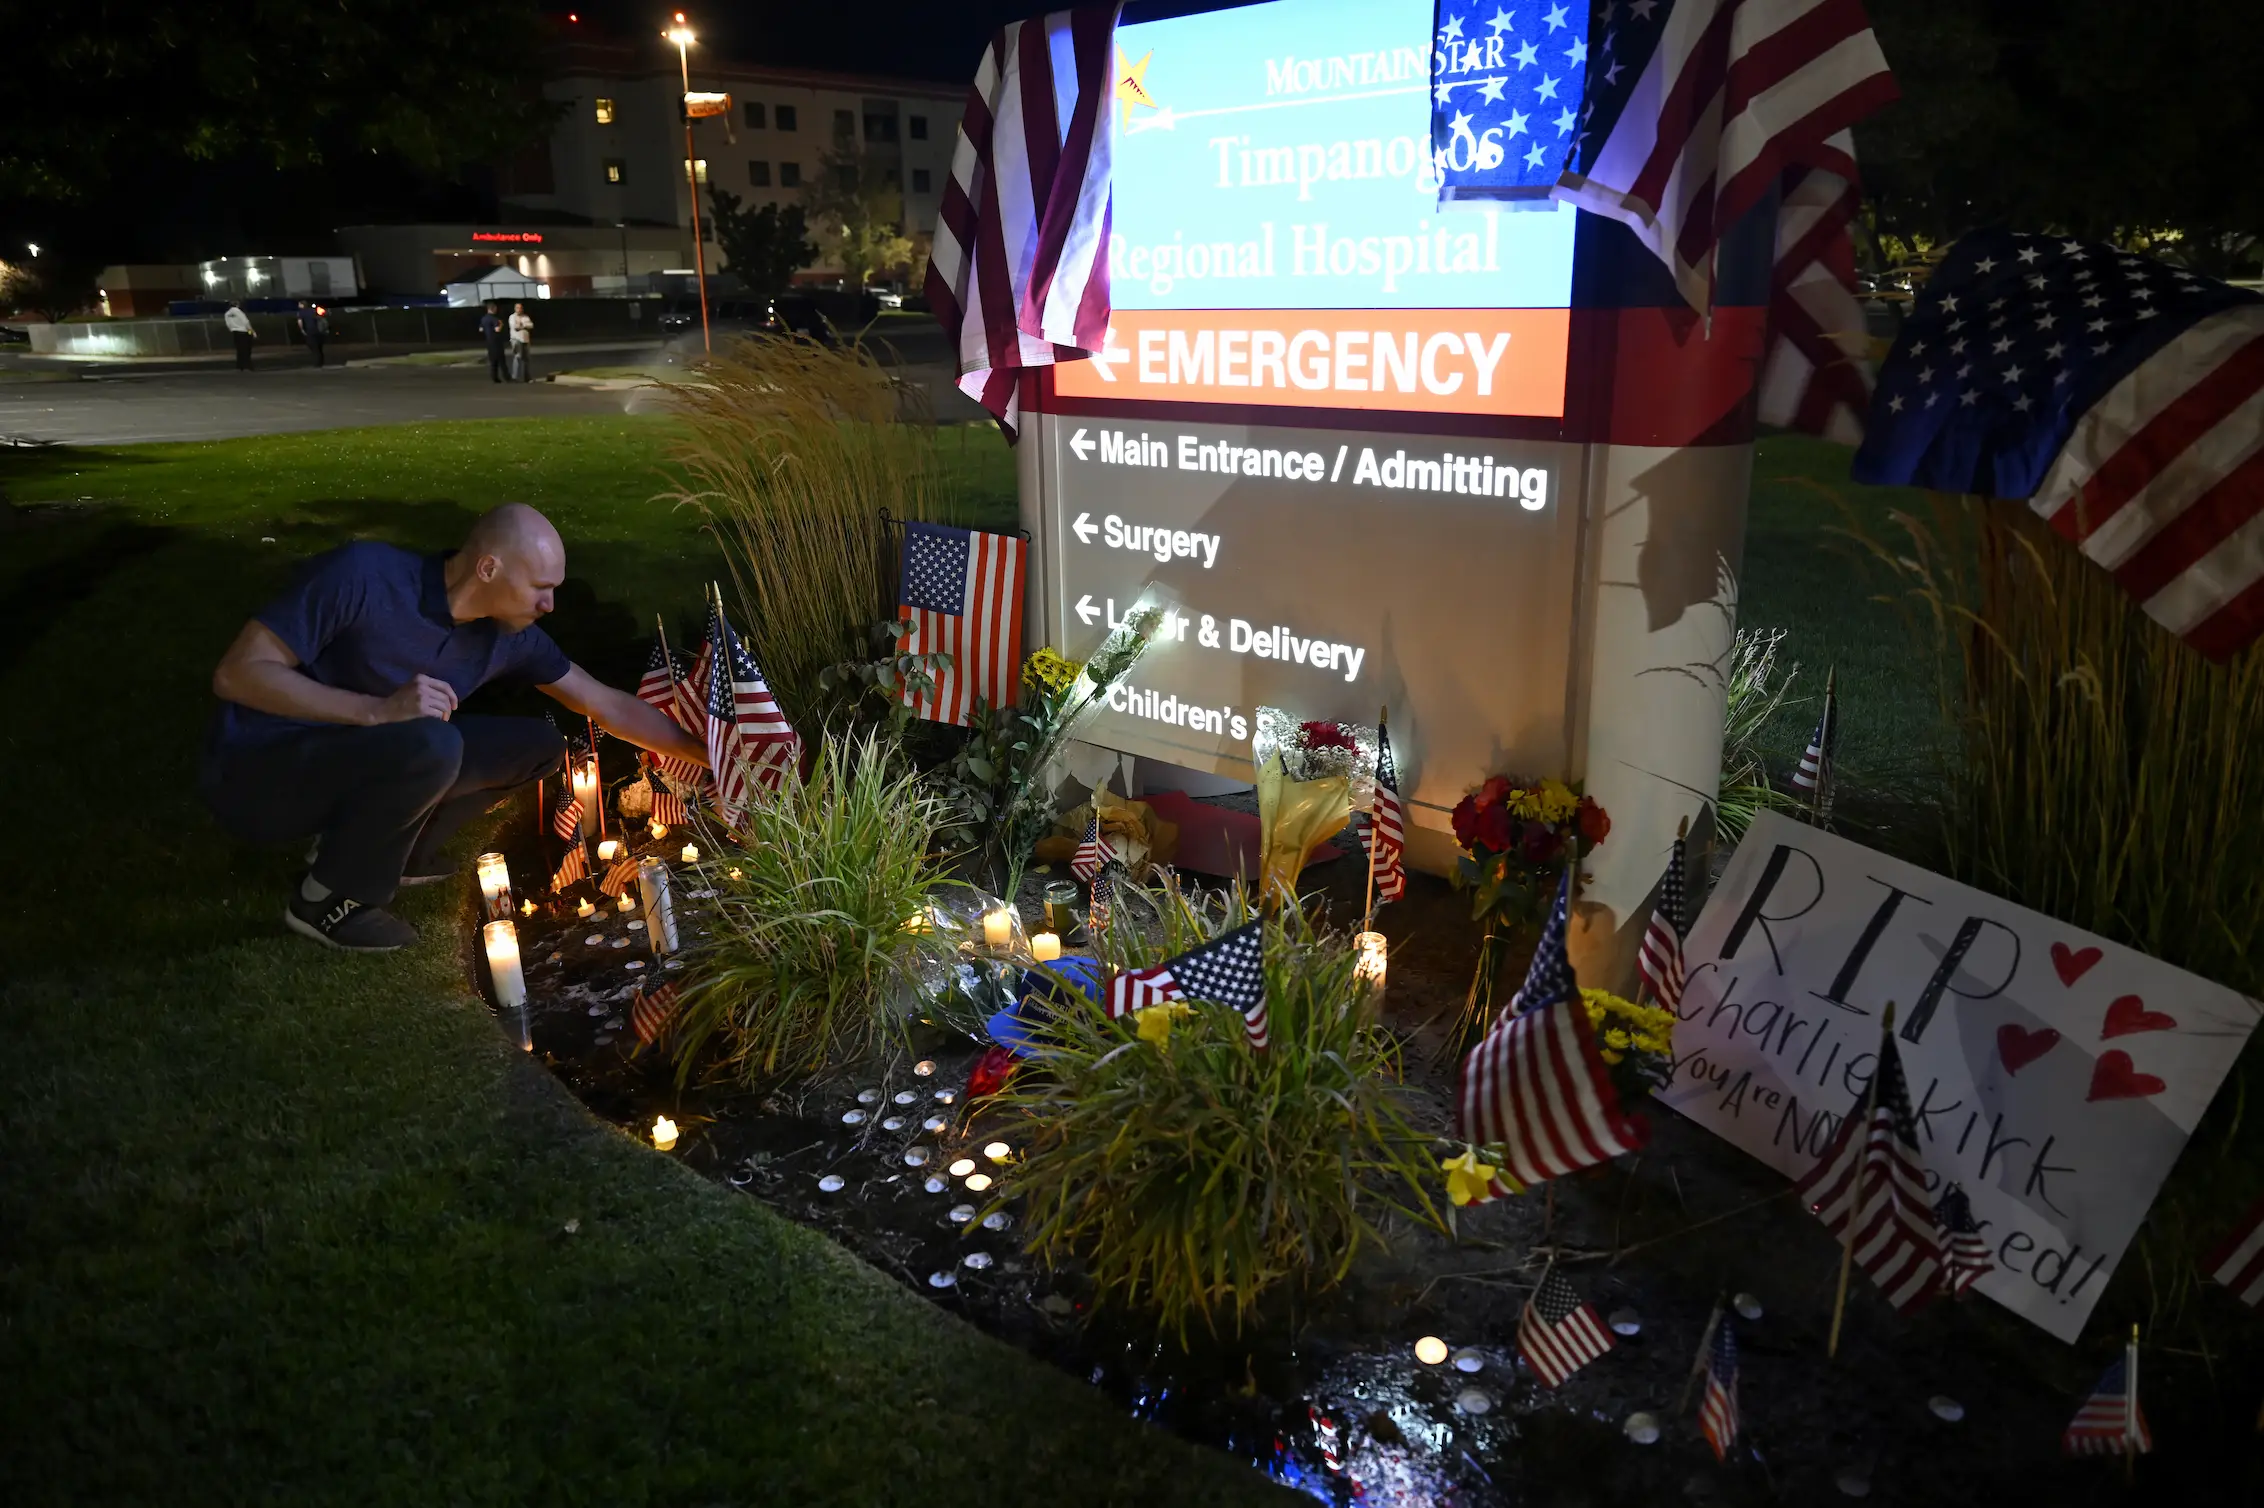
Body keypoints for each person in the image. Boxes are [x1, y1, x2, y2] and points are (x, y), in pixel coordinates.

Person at [200, 504, 709, 952]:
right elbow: (237, 673)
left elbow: (604, 705)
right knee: (433, 744)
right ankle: (328, 901)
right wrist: (376, 710)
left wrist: (708, 754)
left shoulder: (507, 636)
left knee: (537, 747)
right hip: (263, 771)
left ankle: (389, 849)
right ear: (489, 568)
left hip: (365, 760)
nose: (550, 604)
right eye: (540, 588)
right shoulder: (364, 575)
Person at [478, 301, 508, 382]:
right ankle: (507, 377)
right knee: (502, 361)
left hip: (489, 342)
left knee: (493, 361)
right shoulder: (495, 319)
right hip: (496, 342)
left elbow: (480, 329)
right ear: (493, 309)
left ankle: (494, 377)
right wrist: (501, 324)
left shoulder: (483, 319)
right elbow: (497, 329)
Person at [296, 300, 328, 368]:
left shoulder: (301, 312)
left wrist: (302, 330)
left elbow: (300, 322)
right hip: (319, 330)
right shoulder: (313, 310)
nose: (298, 305)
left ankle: (317, 363)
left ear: (302, 305)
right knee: (319, 347)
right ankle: (321, 362)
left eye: (299, 304)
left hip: (310, 331)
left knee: (313, 347)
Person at [224, 301, 255, 370]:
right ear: (237, 305)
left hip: (235, 333)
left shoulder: (227, 314)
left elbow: (228, 324)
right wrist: (251, 332)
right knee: (246, 350)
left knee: (239, 350)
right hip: (244, 332)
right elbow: (246, 323)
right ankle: (248, 365)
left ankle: (240, 366)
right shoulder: (238, 312)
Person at [508, 301, 534, 381]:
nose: (519, 309)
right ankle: (515, 377)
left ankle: (527, 377)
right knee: (518, 357)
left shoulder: (525, 316)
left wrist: (522, 325)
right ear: (515, 309)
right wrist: (524, 325)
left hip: (525, 340)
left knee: (527, 359)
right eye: (517, 308)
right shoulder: (512, 317)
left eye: (521, 308)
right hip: (516, 340)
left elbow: (531, 325)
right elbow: (516, 327)